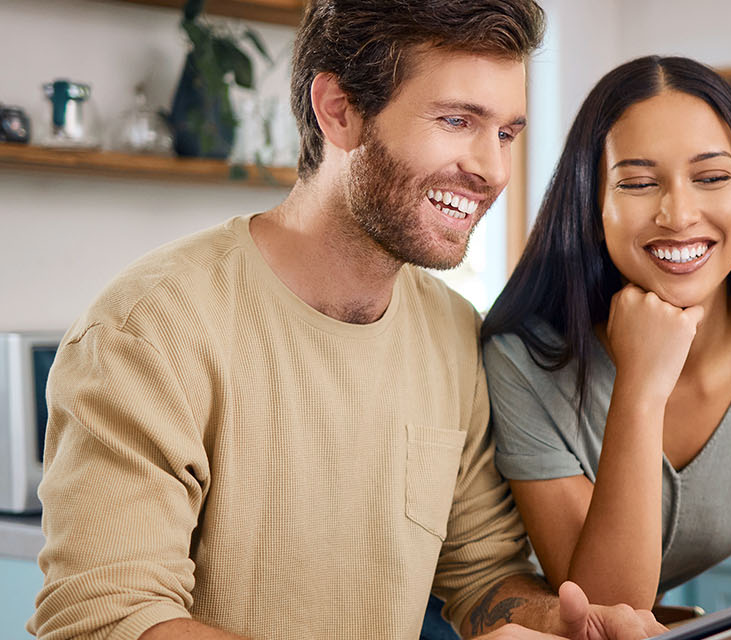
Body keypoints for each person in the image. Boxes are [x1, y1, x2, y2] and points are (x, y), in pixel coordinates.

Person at [27, 2, 666, 640]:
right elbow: (109, 619)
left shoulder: (452, 333)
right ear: (338, 110)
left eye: (505, 134)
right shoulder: (150, 329)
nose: (493, 170)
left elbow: (484, 577)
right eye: (455, 120)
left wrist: (562, 622)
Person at [481, 56, 731, 640]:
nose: (678, 214)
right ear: (592, 205)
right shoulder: (522, 359)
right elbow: (604, 615)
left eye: (711, 177)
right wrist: (641, 388)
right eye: (637, 182)